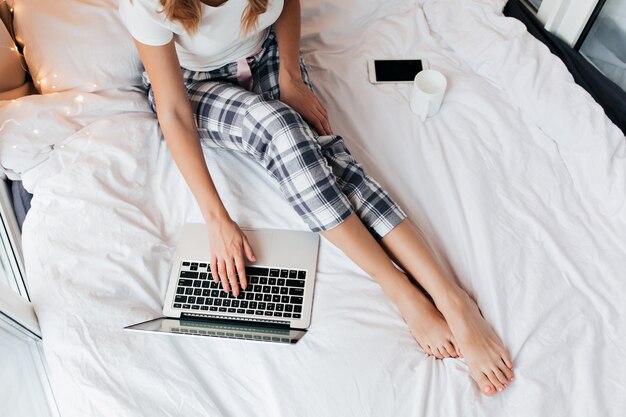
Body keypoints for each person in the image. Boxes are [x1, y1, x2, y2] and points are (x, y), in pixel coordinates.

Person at [119, 0, 514, 396]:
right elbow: (173, 111)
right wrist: (217, 218)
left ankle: (452, 298)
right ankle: (398, 287)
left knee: (328, 158)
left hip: (268, 54)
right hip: (192, 85)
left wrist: (291, 76)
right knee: (280, 128)